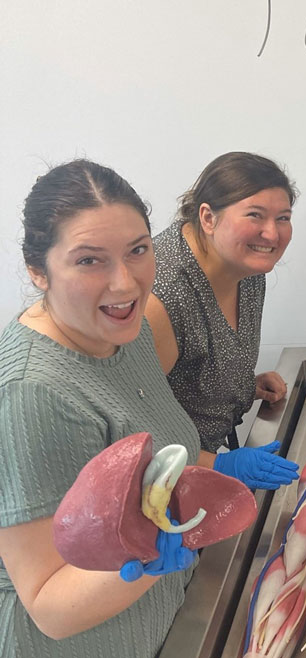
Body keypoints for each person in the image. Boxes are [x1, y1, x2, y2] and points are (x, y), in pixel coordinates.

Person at [0, 160, 200, 657]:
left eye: (138, 251)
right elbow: (50, 607)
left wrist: (219, 467)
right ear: (37, 271)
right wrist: (149, 553)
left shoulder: (123, 332)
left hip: (157, 618)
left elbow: (153, 458)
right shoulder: (32, 392)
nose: (125, 284)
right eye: (90, 261)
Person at [145, 152, 299, 490]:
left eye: (283, 218)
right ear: (208, 218)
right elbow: (130, 427)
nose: (271, 234)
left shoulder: (246, 267)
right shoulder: (163, 295)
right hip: (159, 482)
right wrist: (219, 466)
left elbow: (189, 370)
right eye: (255, 215)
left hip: (197, 467)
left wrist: (238, 385)